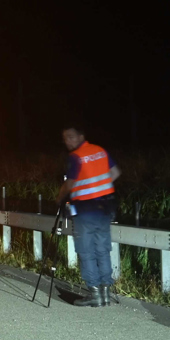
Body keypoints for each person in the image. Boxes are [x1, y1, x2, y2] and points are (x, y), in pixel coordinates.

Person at [57, 126, 121, 307]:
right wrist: (99, 187)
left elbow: (69, 184)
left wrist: (59, 198)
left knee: (86, 251)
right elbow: (115, 173)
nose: (67, 141)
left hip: (85, 209)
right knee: (102, 249)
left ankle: (94, 293)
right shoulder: (99, 151)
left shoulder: (75, 156)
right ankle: (106, 292)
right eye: (65, 138)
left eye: (70, 137)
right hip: (105, 207)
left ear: (81, 136)